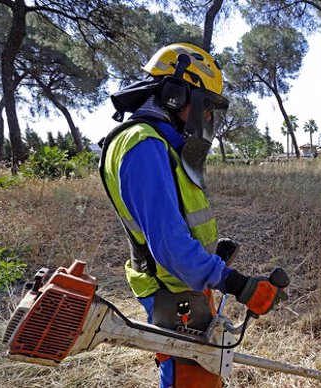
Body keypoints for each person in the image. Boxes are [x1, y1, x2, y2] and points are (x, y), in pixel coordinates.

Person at [98, 43, 287, 388]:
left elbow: (173, 221)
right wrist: (237, 284)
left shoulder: (157, 142)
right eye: (207, 107)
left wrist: (212, 257)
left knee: (204, 373)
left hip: (184, 283)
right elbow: (168, 245)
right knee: (191, 380)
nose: (209, 118)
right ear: (175, 94)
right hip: (173, 291)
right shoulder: (144, 145)